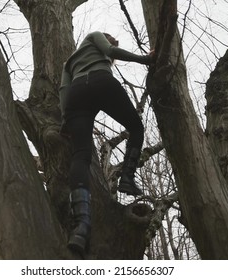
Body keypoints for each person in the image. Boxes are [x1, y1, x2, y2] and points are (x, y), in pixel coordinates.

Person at [59, 31, 154, 255]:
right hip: (101, 82)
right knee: (136, 128)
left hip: (76, 94)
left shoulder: (70, 62)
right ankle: (127, 179)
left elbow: (64, 88)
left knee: (80, 155)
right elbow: (111, 51)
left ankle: (81, 227)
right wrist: (145, 59)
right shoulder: (95, 36)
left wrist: (66, 119)